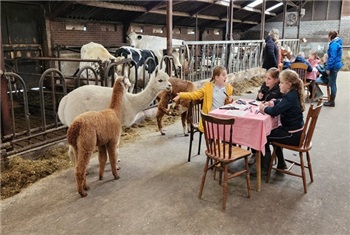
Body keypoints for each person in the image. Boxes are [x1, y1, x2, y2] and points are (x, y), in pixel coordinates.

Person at [258, 69, 305, 173]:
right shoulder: (292, 94)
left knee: (263, 135)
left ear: (288, 84)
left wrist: (263, 108)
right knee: (273, 131)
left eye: (282, 83)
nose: (279, 85)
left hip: (292, 135)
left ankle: (264, 168)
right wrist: (274, 102)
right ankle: (281, 163)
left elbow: (275, 112)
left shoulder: (290, 97)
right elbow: (282, 101)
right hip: (297, 132)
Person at [173, 65, 234, 132]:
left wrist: (230, 100)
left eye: (226, 75)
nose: (226, 77)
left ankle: (221, 141)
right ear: (216, 77)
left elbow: (228, 105)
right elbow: (195, 95)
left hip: (223, 116)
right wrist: (181, 95)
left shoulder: (229, 88)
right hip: (211, 118)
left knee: (231, 129)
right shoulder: (208, 87)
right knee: (219, 132)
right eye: (223, 75)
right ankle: (216, 141)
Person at [248, 67, 283, 165]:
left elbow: (278, 105)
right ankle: (255, 152)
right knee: (253, 126)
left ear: (276, 80)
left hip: (276, 119)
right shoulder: (264, 85)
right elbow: (258, 101)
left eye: (269, 79)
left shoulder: (279, 90)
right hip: (263, 113)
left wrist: (267, 103)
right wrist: (259, 97)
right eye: (265, 78)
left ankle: (265, 162)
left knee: (261, 132)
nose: (266, 81)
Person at [324, 30, 343, 107]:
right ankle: (331, 100)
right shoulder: (338, 42)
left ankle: (332, 101)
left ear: (330, 36)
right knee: (333, 82)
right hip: (337, 64)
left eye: (328, 36)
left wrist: (328, 68)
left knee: (332, 83)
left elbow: (332, 57)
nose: (327, 37)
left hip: (334, 66)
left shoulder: (333, 45)